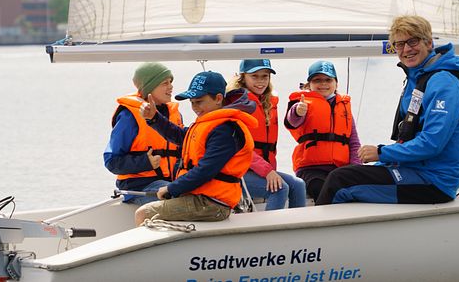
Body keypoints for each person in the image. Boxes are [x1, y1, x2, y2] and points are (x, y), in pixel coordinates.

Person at [316, 15, 459, 205]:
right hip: (413, 170)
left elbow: (431, 143)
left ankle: (315, 234)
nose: (406, 49)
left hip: (434, 181)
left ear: (429, 43)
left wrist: (381, 153)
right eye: (399, 44)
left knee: (340, 181)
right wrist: (383, 161)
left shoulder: (443, 83)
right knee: (341, 176)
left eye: (412, 41)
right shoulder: (418, 79)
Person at [135, 71, 255, 226]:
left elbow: (205, 170)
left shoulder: (226, 130)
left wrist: (172, 188)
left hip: (213, 203)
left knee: (144, 213)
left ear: (218, 98)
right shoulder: (209, 124)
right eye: (192, 103)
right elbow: (180, 136)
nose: (195, 108)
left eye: (199, 101)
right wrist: (154, 118)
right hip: (201, 198)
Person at [227, 59, 307, 209]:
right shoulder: (237, 104)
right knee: (280, 189)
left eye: (265, 76)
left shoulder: (267, 102)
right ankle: (271, 233)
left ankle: (297, 230)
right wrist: (268, 171)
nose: (260, 81)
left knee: (298, 184)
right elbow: (240, 147)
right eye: (255, 76)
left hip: (259, 169)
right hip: (237, 173)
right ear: (243, 77)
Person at [103, 62, 183, 205]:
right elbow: (111, 161)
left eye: (171, 82)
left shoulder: (174, 114)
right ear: (150, 88)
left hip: (170, 183)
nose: (171, 86)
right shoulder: (129, 117)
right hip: (139, 187)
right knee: (184, 199)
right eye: (165, 83)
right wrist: (145, 162)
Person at [284, 60, 362, 200]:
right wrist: (298, 111)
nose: (323, 84)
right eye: (317, 80)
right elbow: (292, 121)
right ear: (309, 85)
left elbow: (354, 142)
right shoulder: (302, 104)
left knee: (355, 189)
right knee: (322, 189)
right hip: (311, 169)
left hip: (340, 169)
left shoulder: (344, 108)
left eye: (328, 79)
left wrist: (355, 168)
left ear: (336, 83)